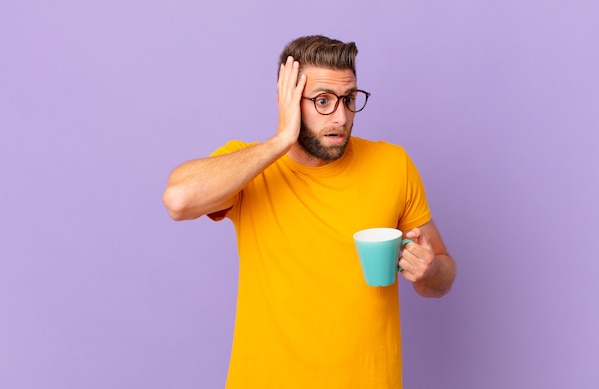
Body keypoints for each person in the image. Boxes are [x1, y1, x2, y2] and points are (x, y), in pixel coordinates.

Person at [163, 35, 456, 389]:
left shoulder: (393, 165)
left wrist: (430, 270)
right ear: (287, 102)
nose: (342, 116)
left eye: (349, 99)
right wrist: (281, 139)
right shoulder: (252, 168)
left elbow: (442, 275)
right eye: (322, 101)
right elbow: (178, 200)